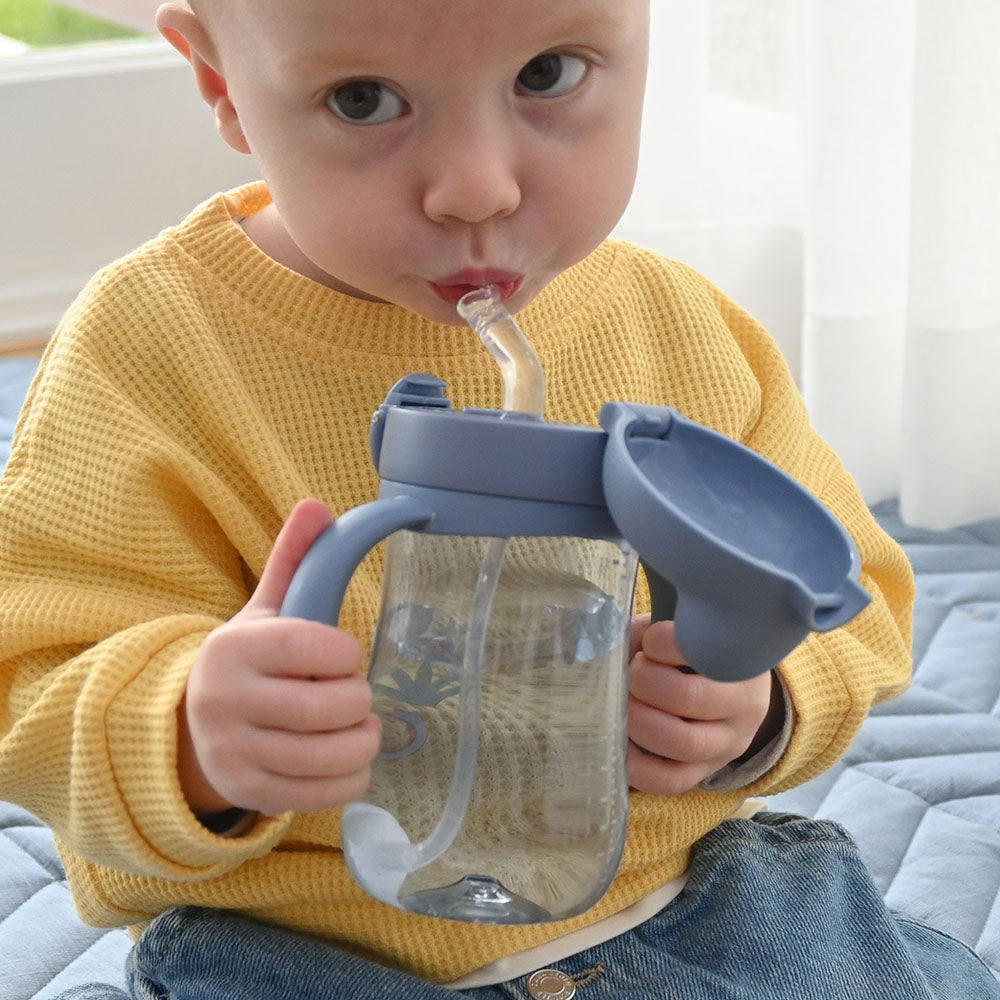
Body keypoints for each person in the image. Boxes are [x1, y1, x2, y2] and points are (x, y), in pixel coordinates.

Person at [0, 1, 995, 997]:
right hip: (305, 946)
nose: (477, 186)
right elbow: (29, 673)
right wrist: (188, 733)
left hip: (692, 899)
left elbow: (845, 589)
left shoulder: (681, 328)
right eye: (362, 100)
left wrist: (758, 701)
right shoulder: (149, 349)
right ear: (219, 82)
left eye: (550, 74)